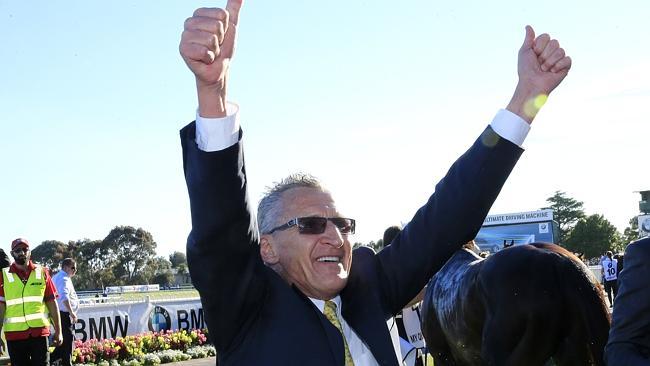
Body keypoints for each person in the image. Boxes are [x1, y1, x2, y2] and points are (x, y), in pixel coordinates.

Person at [178, 1, 572, 364]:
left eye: (342, 224)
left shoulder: (368, 287)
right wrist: (212, 93)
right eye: (312, 225)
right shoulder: (245, 307)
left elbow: (451, 212)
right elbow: (221, 225)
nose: (335, 237)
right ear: (268, 249)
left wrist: (528, 98)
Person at [0, 238, 62, 365]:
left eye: (25, 249)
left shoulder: (43, 273)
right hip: (14, 336)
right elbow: (1, 308)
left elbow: (52, 303)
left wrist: (59, 331)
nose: (22, 252)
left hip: (39, 334)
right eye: (18, 250)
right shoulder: (3, 276)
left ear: (30, 252)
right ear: (12, 254)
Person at [605, 237, 650, 365]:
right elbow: (619, 352)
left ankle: (612, 302)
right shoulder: (644, 253)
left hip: (614, 280)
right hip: (621, 282)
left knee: (611, 293)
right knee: (611, 293)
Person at [51, 258, 80, 366]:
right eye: (73, 268)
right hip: (64, 315)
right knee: (67, 343)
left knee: (63, 344)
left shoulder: (57, 277)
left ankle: (50, 361)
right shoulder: (64, 278)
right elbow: (64, 297)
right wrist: (72, 313)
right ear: (66, 267)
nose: (75, 271)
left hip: (59, 314)